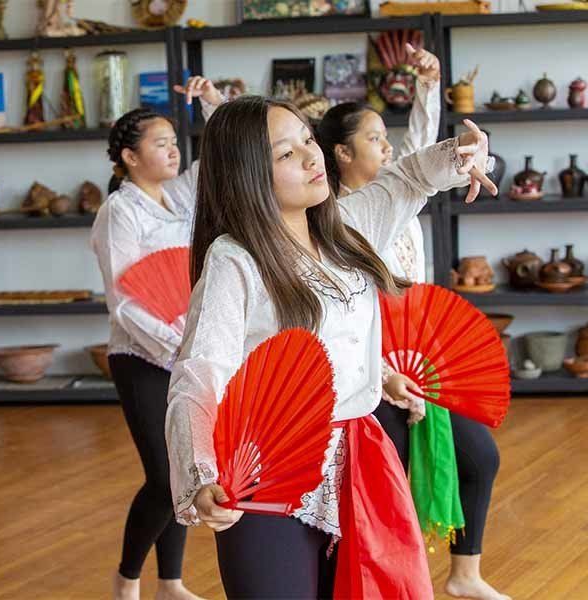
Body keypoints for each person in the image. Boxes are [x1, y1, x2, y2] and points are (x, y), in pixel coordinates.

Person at [165, 91, 496, 598]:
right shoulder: (236, 259)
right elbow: (202, 370)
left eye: (306, 139)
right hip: (267, 466)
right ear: (247, 174)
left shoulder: (345, 227)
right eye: (285, 153)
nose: (310, 155)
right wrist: (202, 472)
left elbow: (407, 179)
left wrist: (458, 156)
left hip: (361, 454)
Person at [317, 44, 509, 600]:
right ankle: (378, 581)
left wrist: (429, 87)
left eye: (386, 137)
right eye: (374, 138)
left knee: (480, 455)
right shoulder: (333, 222)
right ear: (341, 153)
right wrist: (382, 372)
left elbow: (420, 152)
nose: (386, 146)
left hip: (422, 359)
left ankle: (465, 574)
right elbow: (338, 318)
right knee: (386, 479)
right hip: (368, 369)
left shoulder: (397, 199)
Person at [91, 77, 223, 600]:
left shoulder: (178, 195)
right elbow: (125, 298)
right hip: (142, 356)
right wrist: (174, 343)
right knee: (164, 475)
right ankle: (127, 577)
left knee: (187, 470)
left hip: (186, 351)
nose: (173, 150)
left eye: (174, 141)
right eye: (161, 144)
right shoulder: (117, 212)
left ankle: (171, 582)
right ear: (129, 156)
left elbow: (219, 155)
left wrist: (212, 103)